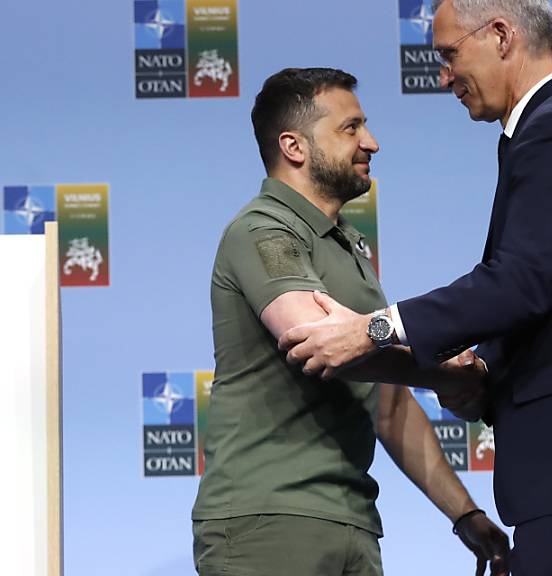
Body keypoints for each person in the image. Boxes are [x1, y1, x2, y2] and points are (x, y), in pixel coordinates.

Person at [276, 2, 552, 574]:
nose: (443, 75)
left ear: (501, 36)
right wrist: (483, 372)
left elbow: (522, 282)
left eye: (450, 54)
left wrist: (376, 329)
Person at [191, 67, 509, 576]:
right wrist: (450, 372)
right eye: (351, 127)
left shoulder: (351, 244)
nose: (372, 142)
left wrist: (465, 514)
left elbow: (389, 406)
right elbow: (321, 346)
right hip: (269, 519)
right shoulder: (261, 230)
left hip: (354, 523)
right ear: (294, 147)